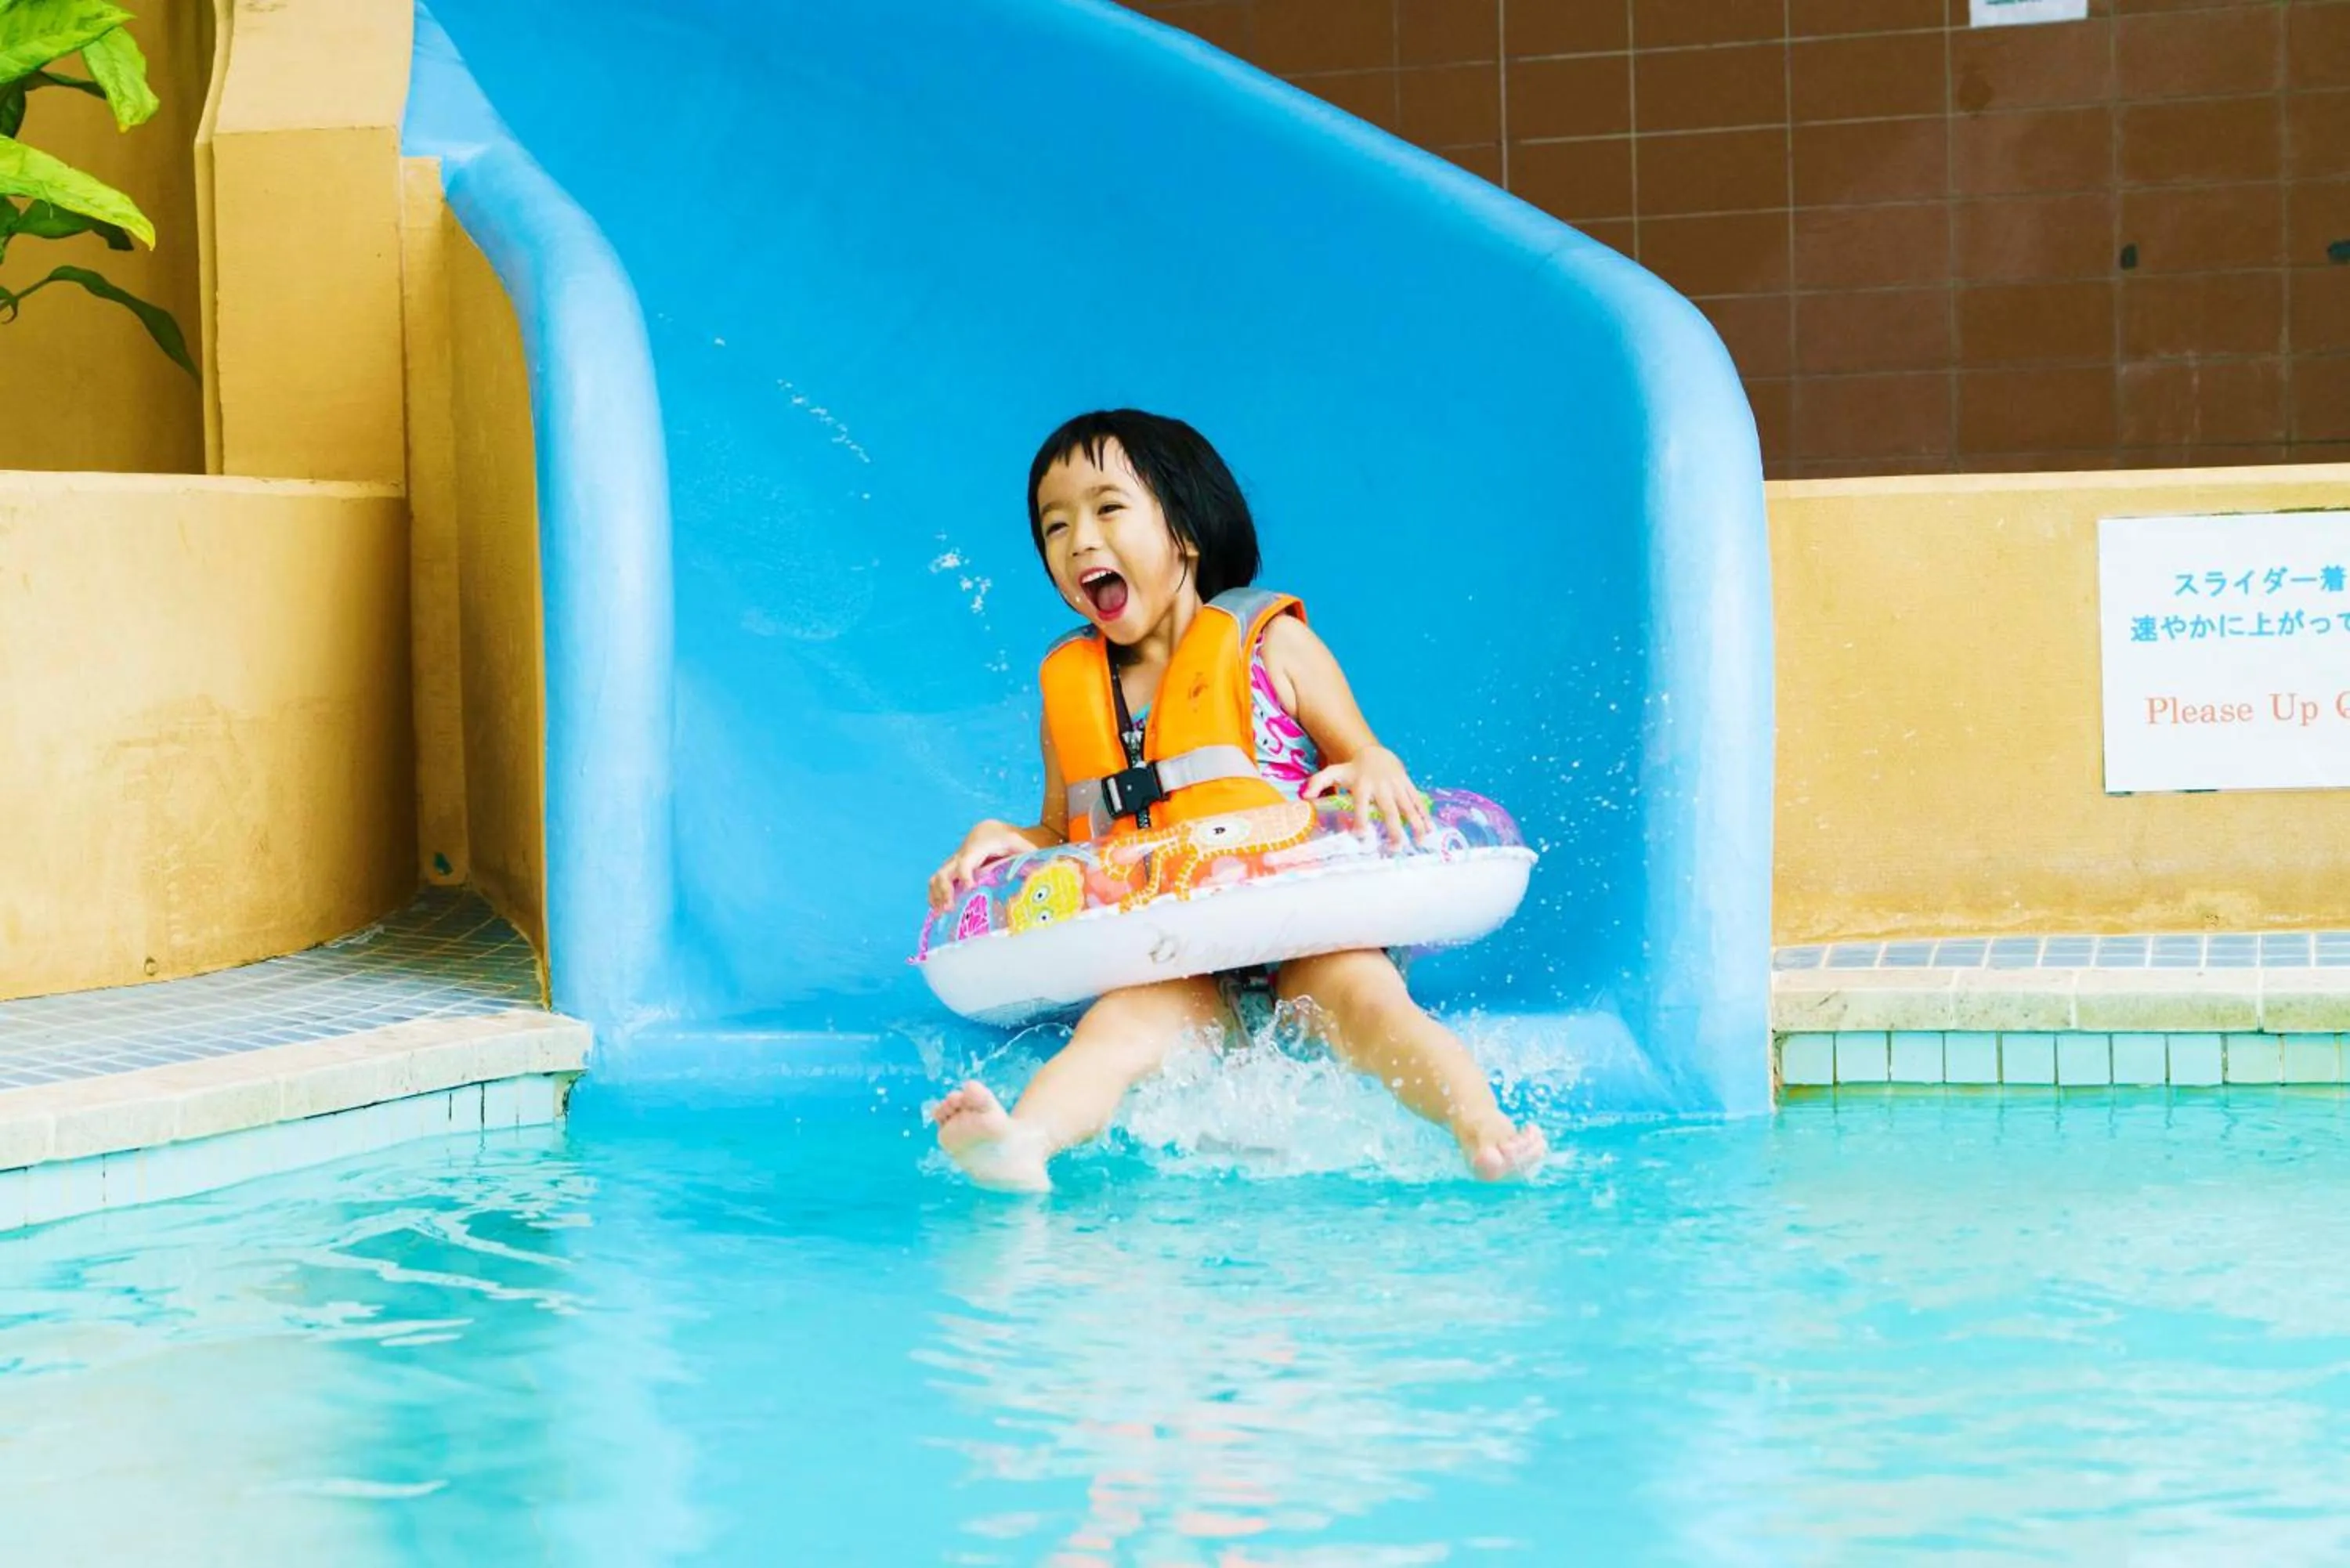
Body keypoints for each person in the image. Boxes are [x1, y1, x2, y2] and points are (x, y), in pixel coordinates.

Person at [926, 410, 1546, 1191]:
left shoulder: (1270, 645)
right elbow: (1063, 829)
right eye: (1056, 525)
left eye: (1108, 508)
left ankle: (1480, 1125)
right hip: (1176, 956)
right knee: (1114, 1031)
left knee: (1368, 1003)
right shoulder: (1070, 690)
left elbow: (1366, 755)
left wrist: (1378, 768)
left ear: (1184, 531)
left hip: (1308, 933)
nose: (1080, 538)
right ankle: (1021, 1144)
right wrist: (1007, 839)